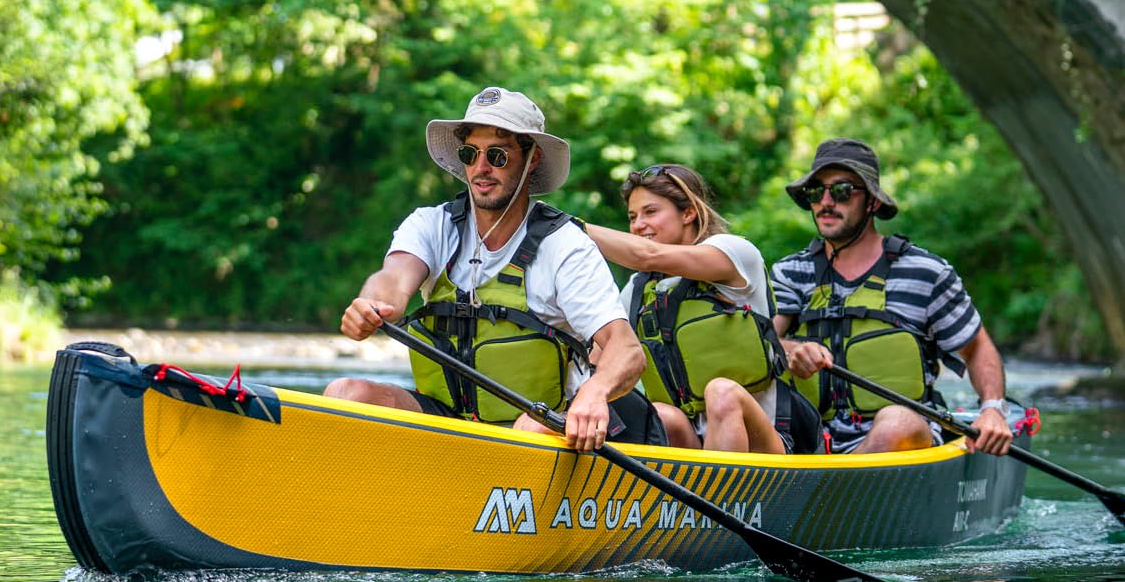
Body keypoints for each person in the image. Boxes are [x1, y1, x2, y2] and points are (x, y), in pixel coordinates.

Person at [329, 87, 659, 453]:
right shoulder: (431, 224)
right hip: (449, 420)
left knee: (530, 428)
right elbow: (391, 279)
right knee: (346, 394)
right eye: (470, 154)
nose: (481, 169)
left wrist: (595, 394)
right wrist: (371, 303)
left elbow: (627, 351)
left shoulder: (564, 245)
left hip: (540, 422)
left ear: (531, 159)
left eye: (498, 156)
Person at [771, 137, 1014, 456]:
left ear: (871, 202)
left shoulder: (926, 272)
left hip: (900, 436)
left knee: (896, 422)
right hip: (808, 437)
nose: (826, 202)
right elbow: (762, 341)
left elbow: (976, 347)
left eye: (841, 191)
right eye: (816, 191)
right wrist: (792, 349)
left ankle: (829, 496)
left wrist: (993, 409)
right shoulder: (790, 272)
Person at [583, 162, 821, 454]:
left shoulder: (733, 254)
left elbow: (647, 255)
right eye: (633, 216)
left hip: (768, 444)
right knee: (660, 414)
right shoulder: (637, 289)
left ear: (688, 212)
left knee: (721, 392)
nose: (637, 225)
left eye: (651, 212)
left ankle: (724, 496)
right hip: (693, 444)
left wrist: (571, 228)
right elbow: (597, 358)